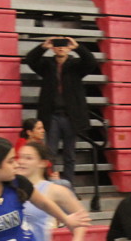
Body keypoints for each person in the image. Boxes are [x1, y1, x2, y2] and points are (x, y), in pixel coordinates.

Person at [23, 36, 98, 184]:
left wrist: (78, 47)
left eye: (64, 45)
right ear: (53, 48)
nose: (61, 48)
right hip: (52, 115)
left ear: (69, 48)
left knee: (70, 155)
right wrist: (42, 47)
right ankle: (50, 184)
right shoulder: (46, 65)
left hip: (71, 117)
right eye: (57, 45)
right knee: (50, 153)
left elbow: (91, 62)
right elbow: (30, 59)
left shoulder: (76, 65)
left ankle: (68, 185)